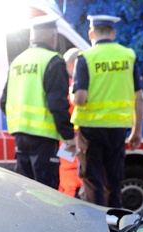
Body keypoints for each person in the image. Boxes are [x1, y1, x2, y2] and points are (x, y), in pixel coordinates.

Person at [70, 15, 143, 209]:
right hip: (118, 129)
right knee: (114, 180)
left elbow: (80, 98)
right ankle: (115, 226)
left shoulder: (85, 57)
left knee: (93, 180)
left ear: (91, 33)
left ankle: (97, 227)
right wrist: (137, 132)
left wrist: (72, 96)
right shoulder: (128, 56)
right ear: (113, 33)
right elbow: (140, 98)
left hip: (91, 130)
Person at [0, 16, 75, 189]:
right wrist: (68, 136)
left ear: (32, 37)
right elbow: (57, 103)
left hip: (20, 136)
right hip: (44, 139)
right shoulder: (53, 61)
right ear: (53, 36)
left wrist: (20, 122)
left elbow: (4, 101)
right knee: (46, 192)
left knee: (25, 191)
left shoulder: (18, 61)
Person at [58, 47, 82, 197]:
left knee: (68, 173)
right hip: (73, 136)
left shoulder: (67, 85)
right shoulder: (73, 85)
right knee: (71, 172)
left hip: (70, 137)